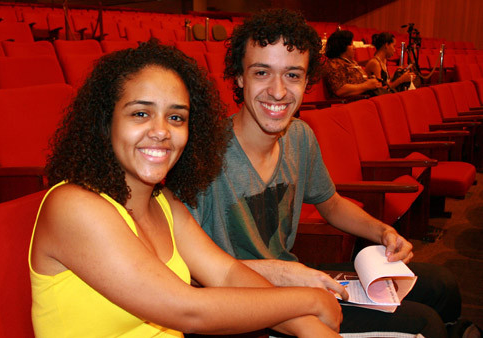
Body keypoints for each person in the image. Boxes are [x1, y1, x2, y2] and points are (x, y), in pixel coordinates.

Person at [28, 40, 344, 338]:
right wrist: (309, 301)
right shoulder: (73, 205)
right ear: (106, 121)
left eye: (176, 117)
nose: (162, 131)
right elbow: (186, 309)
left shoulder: (163, 202)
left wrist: (304, 325)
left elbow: (227, 275)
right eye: (141, 113)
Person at [187, 9, 462, 338]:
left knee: (441, 285)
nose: (278, 91)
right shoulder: (201, 155)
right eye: (262, 73)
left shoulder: (300, 137)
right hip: (241, 303)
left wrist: (382, 232)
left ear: (306, 81)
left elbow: (330, 203)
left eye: (292, 75)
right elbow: (188, 273)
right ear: (240, 77)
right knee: (423, 323)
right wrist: (285, 276)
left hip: (294, 275)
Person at [323, 29, 383, 97]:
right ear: (342, 46)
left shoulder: (351, 62)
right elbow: (340, 90)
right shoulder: (333, 64)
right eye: (351, 44)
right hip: (351, 103)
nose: (354, 47)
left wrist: (371, 81)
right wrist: (366, 85)